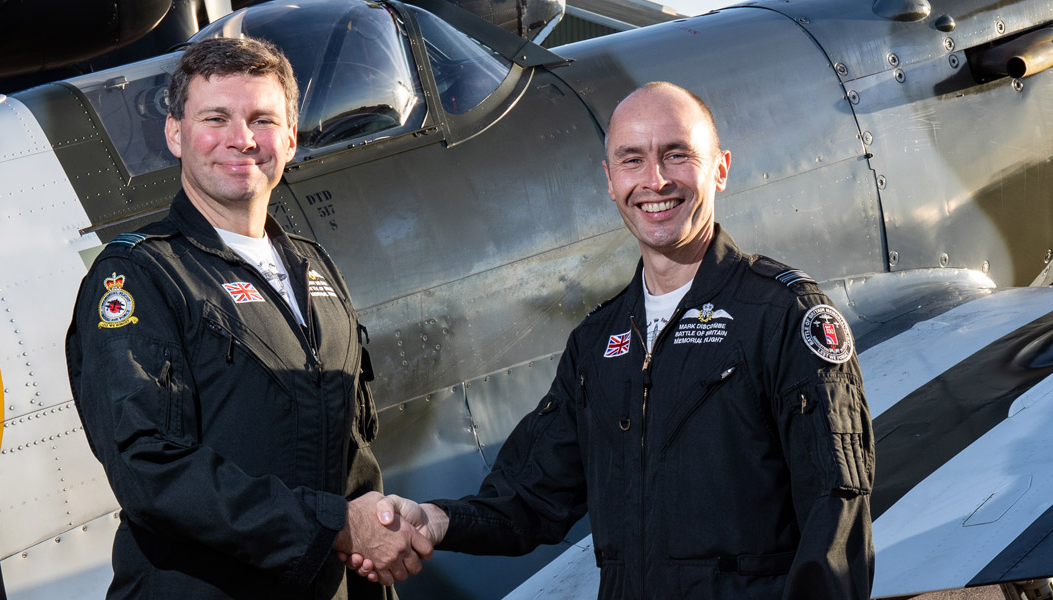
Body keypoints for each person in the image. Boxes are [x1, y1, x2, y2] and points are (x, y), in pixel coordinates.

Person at [350, 82, 875, 599]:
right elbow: (531, 496)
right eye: (632, 160)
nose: (655, 180)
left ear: (720, 168)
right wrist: (437, 520)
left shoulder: (783, 315)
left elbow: (836, 509)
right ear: (609, 180)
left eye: (677, 155)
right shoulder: (597, 344)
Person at [65, 37, 431, 600]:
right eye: (216, 118)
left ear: (288, 139)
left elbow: (351, 456)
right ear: (175, 134)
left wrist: (373, 544)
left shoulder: (316, 268)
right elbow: (150, 469)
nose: (241, 139)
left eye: (262, 119)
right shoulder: (139, 276)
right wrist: (329, 525)